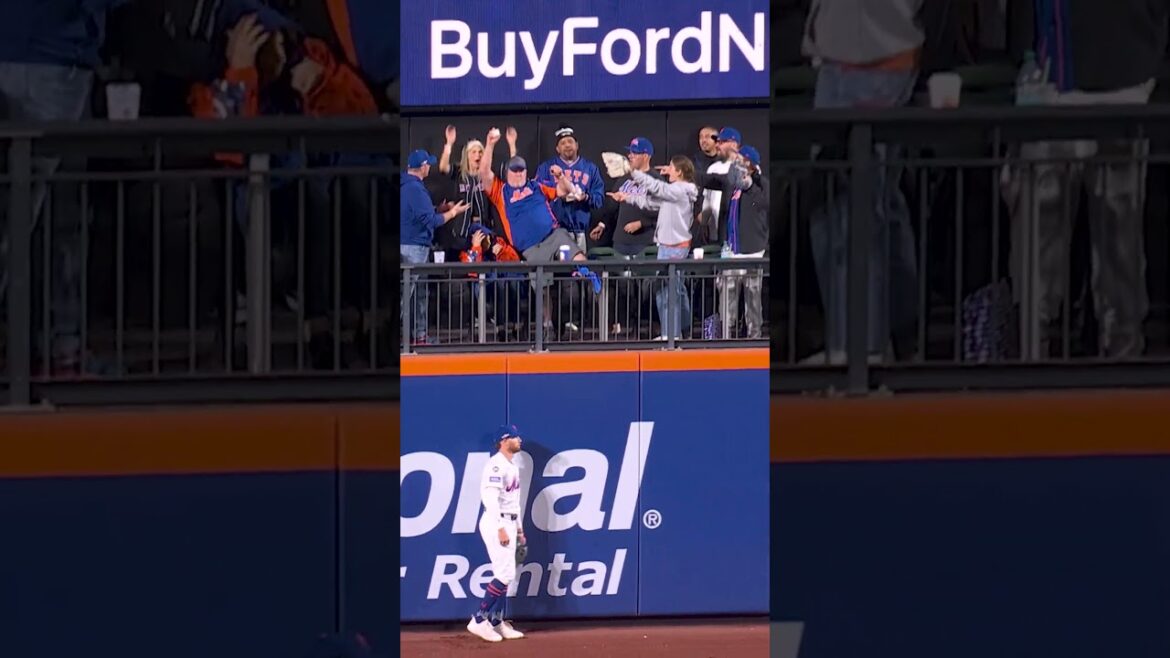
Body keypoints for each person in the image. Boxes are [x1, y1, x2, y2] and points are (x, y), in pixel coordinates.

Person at [1002, 0, 1167, 360]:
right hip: (1048, 79)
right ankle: (1031, 354)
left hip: (1123, 79)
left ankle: (1122, 356)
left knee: (1118, 240)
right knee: (1038, 239)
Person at [803, 0, 923, 364]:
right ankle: (896, 341)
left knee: (847, 207)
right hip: (854, 58)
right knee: (877, 204)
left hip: (868, 61)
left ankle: (857, 351)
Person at [610, 156, 699, 340]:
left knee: (668, 293)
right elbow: (650, 202)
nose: (668, 171)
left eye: (672, 168)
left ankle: (672, 334)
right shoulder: (673, 193)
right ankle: (678, 331)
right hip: (666, 246)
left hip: (675, 248)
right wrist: (626, 197)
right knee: (671, 291)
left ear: (680, 172)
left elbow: (658, 188)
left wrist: (633, 173)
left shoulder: (680, 190)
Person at [400, 149, 470, 344]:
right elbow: (431, 222)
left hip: (415, 247)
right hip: (412, 249)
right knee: (406, 297)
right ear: (423, 167)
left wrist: (438, 209)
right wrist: (453, 213)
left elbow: (420, 213)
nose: (429, 167)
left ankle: (419, 336)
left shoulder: (409, 185)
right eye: (428, 164)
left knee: (418, 295)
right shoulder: (414, 188)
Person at [467, 424, 527, 643]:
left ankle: (496, 621)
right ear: (503, 441)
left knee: (505, 573)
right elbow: (490, 499)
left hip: (509, 521)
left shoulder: (511, 466)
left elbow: (514, 503)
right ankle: (479, 620)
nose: (519, 439)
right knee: (504, 574)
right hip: (496, 521)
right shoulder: (495, 465)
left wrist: (519, 529)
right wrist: (501, 527)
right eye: (514, 436)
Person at [535, 124, 604, 252]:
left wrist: (585, 197)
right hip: (554, 231)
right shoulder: (546, 168)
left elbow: (599, 199)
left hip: (581, 231)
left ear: (577, 145)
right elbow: (537, 197)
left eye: (570, 141)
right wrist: (557, 196)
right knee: (556, 270)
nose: (567, 145)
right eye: (563, 143)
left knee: (580, 269)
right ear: (557, 148)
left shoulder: (590, 168)